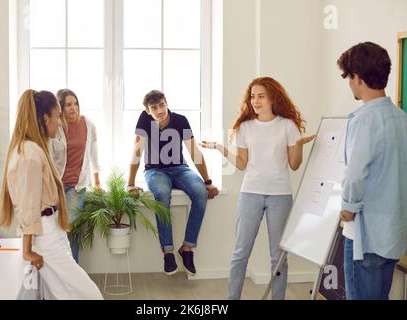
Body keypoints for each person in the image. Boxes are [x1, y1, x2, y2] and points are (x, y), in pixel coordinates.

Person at [200, 77, 315, 300]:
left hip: (280, 196)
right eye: (253, 96)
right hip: (250, 193)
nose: (255, 101)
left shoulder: (287, 126)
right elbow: (242, 164)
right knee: (240, 253)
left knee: (278, 256)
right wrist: (220, 148)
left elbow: (294, 164)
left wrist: (298, 145)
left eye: (261, 96)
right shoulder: (245, 127)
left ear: (273, 97)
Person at [0, 89, 103, 300]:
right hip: (45, 234)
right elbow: (29, 206)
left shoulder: (35, 149)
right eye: (57, 116)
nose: (60, 122)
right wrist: (27, 250)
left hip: (51, 228)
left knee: (60, 293)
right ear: (45, 118)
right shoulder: (30, 154)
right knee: (86, 293)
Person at [337, 42, 407, 300]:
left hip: (364, 238)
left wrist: (347, 208)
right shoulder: (402, 118)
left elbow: (355, 174)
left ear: (357, 77)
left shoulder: (363, 119)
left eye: (349, 77)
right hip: (393, 234)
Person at [127, 90, 219, 276]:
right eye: (154, 108)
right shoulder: (144, 121)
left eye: (162, 105)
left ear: (166, 103)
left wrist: (207, 182)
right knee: (161, 193)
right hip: (155, 170)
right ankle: (167, 251)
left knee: (200, 192)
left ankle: (186, 248)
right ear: (147, 111)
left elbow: (194, 152)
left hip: (180, 168)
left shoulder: (180, 120)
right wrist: (130, 183)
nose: (159, 110)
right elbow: (137, 151)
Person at [49, 89, 100, 263]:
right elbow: (48, 156)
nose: (73, 108)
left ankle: (74, 272)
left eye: (75, 103)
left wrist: (97, 182)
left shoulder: (87, 124)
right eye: (68, 105)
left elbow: (94, 154)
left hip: (76, 187)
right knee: (52, 231)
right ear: (60, 108)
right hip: (54, 185)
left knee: (70, 229)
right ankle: (57, 274)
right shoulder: (54, 127)